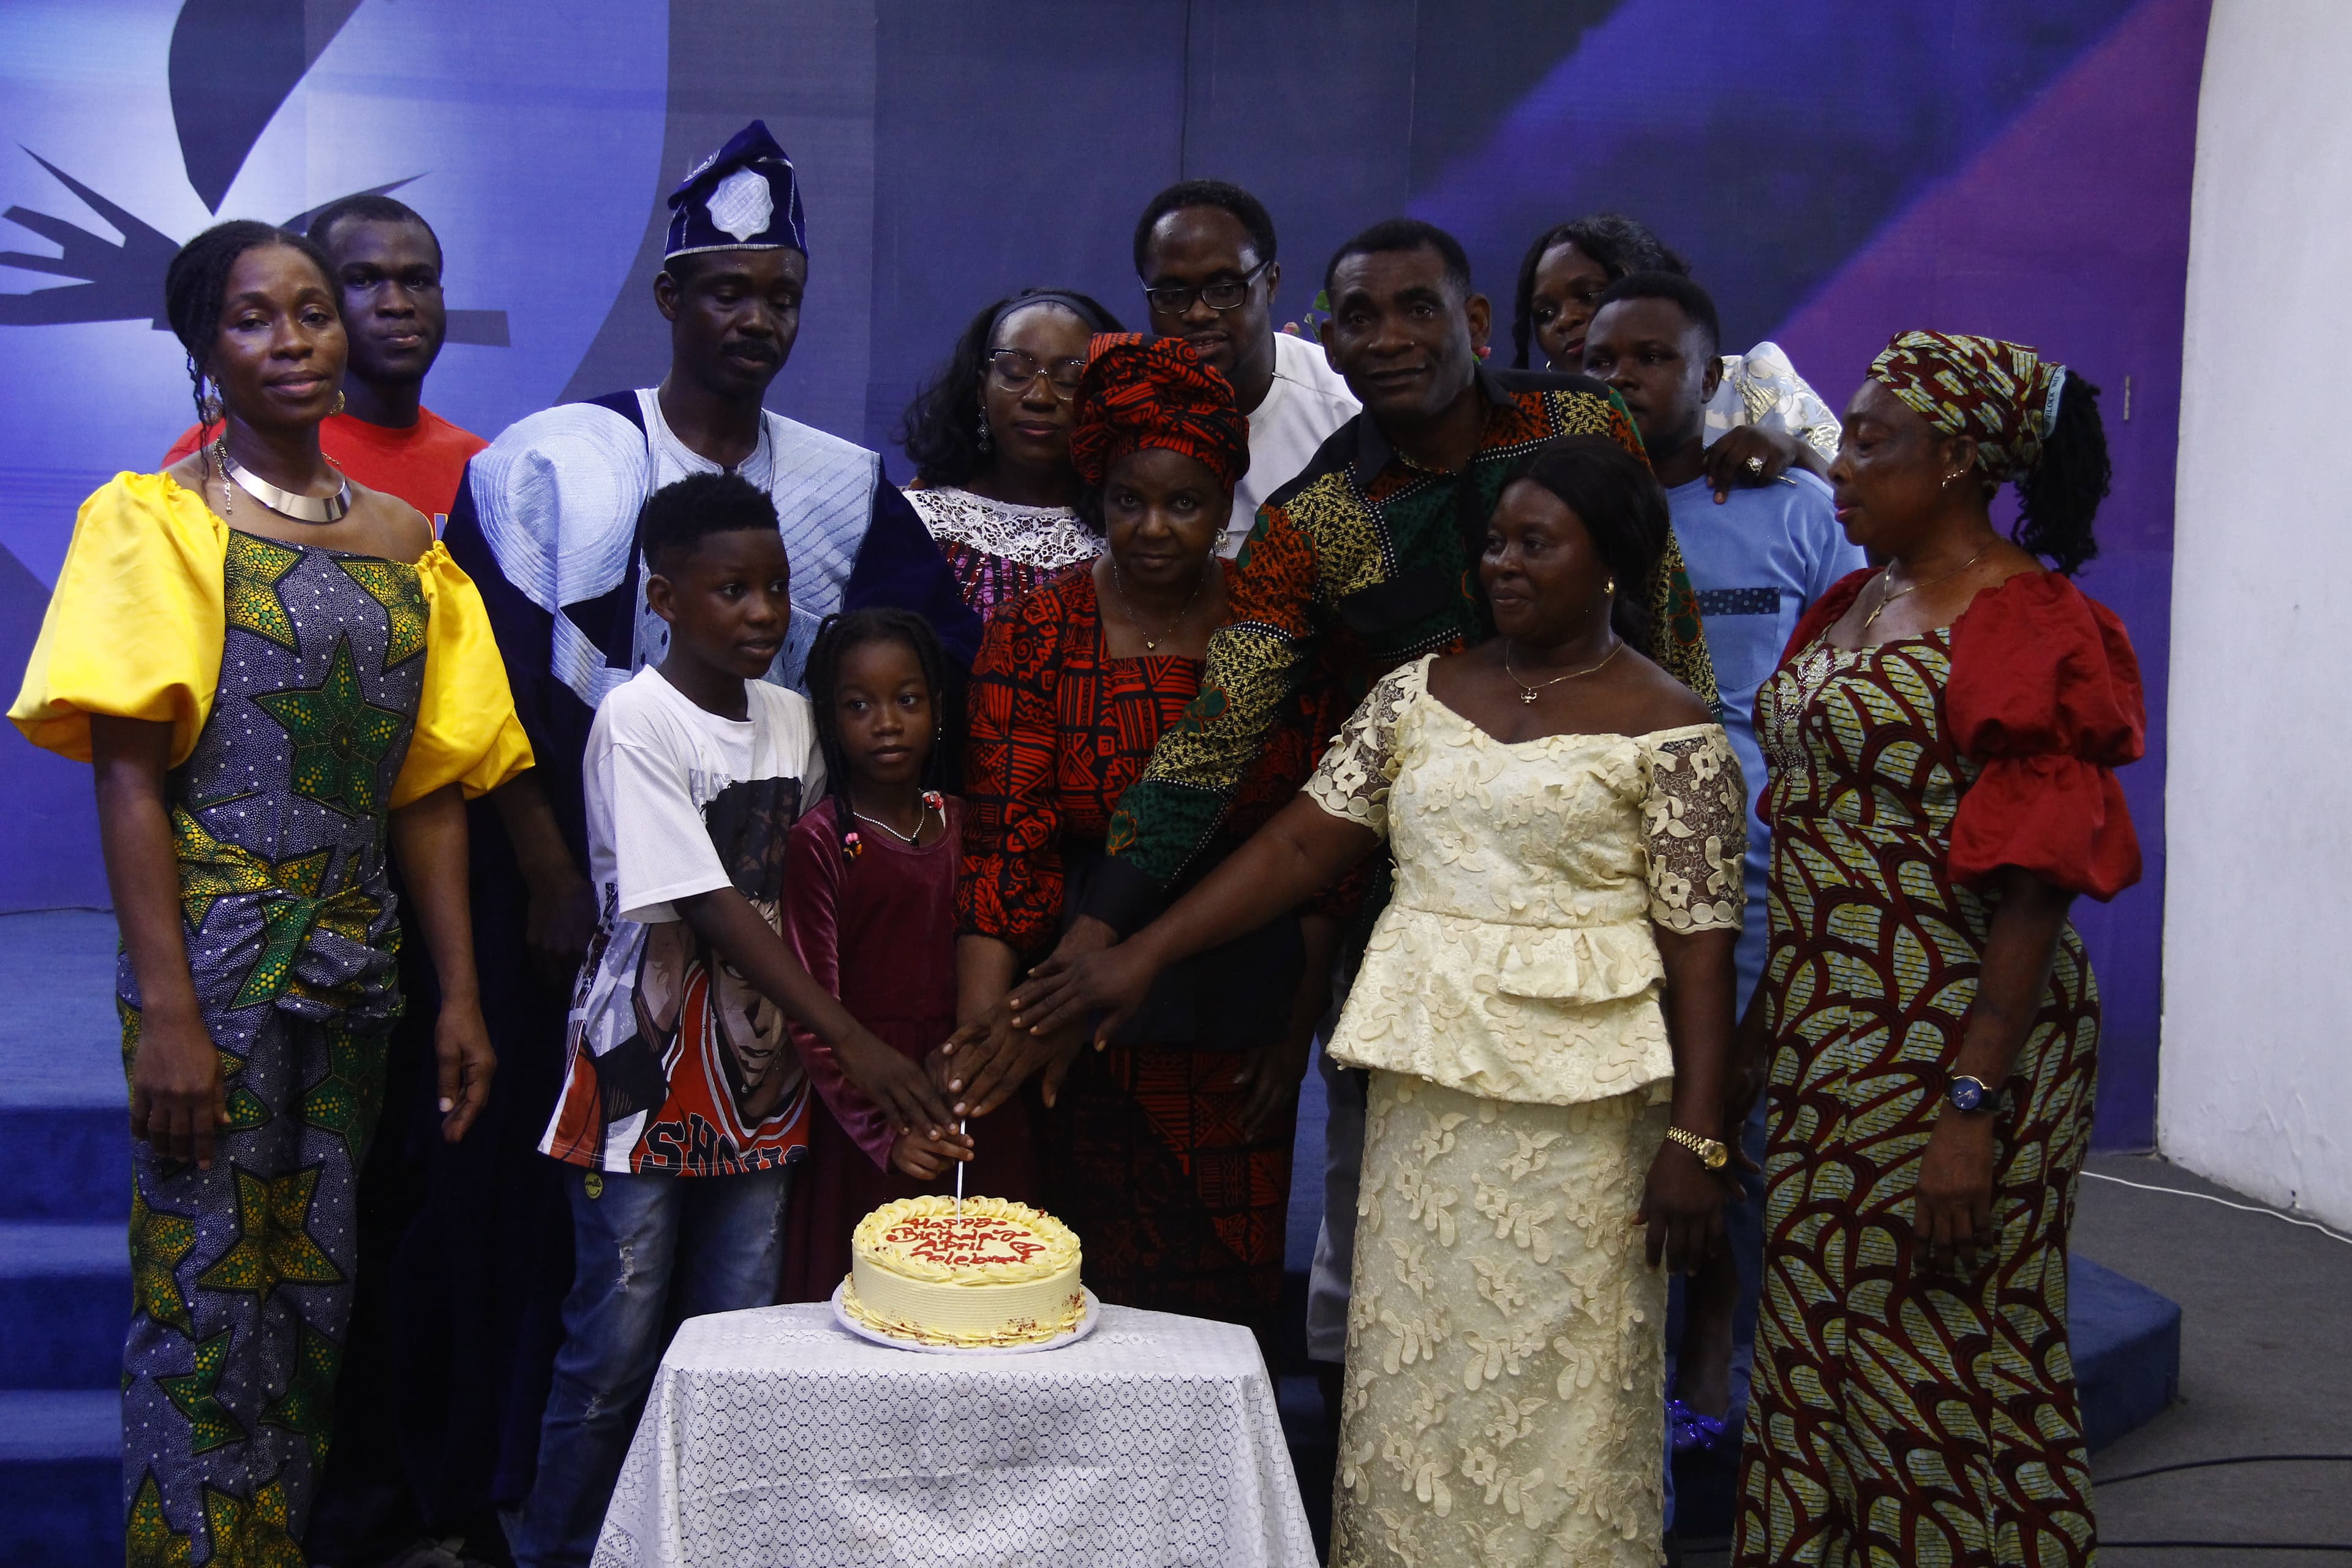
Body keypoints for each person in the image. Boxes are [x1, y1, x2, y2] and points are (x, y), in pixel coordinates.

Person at [939, 218, 1718, 1415]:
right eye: (1360, 316)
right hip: (1426, 908)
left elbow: (1667, 644)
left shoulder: (1581, 426)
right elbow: (1220, 738)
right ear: (1326, 338)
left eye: (1419, 308)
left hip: (1602, 900)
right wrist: (1103, 933)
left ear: (1474, 321)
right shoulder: (1316, 520)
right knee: (1414, 1243)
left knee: (1590, 1263)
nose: (1390, 337)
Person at [1005, 435, 1748, 1566]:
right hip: (1426, 1098)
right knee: (1417, 1369)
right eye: (1494, 541)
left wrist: (1698, 1138)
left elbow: (1701, 949)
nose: (1502, 563)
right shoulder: (1419, 692)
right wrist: (1142, 951)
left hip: (1586, 1118)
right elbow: (1303, 843)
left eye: (1534, 544)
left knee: (1565, 1388)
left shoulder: (1674, 729)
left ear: (1611, 564)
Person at [436, 119, 981, 1524]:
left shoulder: (839, 483)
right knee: (582, 1275)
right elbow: (476, 677)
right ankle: (535, 1511)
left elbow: (907, 680)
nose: (754, 318)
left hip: (767, 966)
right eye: (726, 290)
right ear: (671, 297)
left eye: (779, 294)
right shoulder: (558, 459)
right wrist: (546, 861)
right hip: (573, 921)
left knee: (734, 1272)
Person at [10, 220, 530, 1564]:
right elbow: (126, 780)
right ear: (204, 348)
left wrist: (462, 994)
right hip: (219, 961)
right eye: (255, 318)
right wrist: (169, 1010)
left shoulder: (410, 538)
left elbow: (428, 785)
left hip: (361, 963)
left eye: (312, 312)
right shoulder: (157, 520)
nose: (296, 340)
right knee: (200, 1301)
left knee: (310, 1290)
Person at [1732, 332, 2143, 1568]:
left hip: (1959, 1027)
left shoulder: (2030, 620)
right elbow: (1815, 830)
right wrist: (1762, 1035)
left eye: (1871, 440)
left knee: (1948, 1344)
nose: (1837, 461)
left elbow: (2035, 885)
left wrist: (1974, 1098)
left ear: (1960, 458)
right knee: (1814, 1325)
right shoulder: (1855, 598)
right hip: (1829, 1025)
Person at [517, 473, 959, 1567]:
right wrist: (854, 1037)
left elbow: (812, 887)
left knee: (739, 1336)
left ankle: (707, 1543)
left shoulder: (794, 719)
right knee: (613, 1349)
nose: (763, 613)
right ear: (663, 597)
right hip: (644, 1070)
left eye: (775, 589)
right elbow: (712, 903)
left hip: (765, 1071)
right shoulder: (635, 718)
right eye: (731, 591)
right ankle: (561, 1549)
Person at [947, 333, 1336, 1352]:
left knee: (1217, 1330)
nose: (1155, 528)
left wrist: (1295, 1035)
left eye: (1186, 503)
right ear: (1098, 498)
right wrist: (989, 1042)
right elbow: (1005, 846)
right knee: (1073, 1310)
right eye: (1129, 501)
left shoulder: (1277, 633)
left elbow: (1326, 851)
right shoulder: (1037, 635)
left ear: (1227, 502)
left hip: (1233, 1028)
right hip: (1070, 1033)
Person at [1580, 272, 1863, 1464]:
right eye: (1605, 360)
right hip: (1599, 847)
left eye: (1654, 359)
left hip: (1755, 849)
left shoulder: (1791, 500)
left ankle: (1712, 1329)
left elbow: (1858, 657)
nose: (1628, 381)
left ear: (1709, 374)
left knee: (1724, 1091)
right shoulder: (1579, 504)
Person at [777, 608, 1011, 1303]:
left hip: (967, 1083)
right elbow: (812, 1012)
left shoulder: (965, 822)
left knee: (983, 1286)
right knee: (877, 1294)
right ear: (830, 719)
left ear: (938, 708)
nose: (886, 722)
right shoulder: (821, 842)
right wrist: (881, 1135)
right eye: (859, 705)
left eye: (906, 700)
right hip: (871, 1097)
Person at [162, 192, 487, 525]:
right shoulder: (212, 459)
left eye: (417, 281)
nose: (397, 304)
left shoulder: (483, 467)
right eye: (362, 280)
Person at [1510, 213, 1841, 498]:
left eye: (1588, 295)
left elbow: (1855, 501)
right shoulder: (1536, 429)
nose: (1565, 319)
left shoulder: (1752, 383)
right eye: (1545, 313)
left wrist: (1795, 453)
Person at [1133, 179, 1359, 554]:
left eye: (1225, 289)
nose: (1198, 313)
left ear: (1271, 283)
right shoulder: (1125, 408)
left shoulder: (1345, 412)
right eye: (1172, 295)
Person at [897, 288, 1125, 621]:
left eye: (1069, 379)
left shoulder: (1135, 537)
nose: (1039, 396)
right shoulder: (915, 524)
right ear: (981, 392)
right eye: (1016, 373)